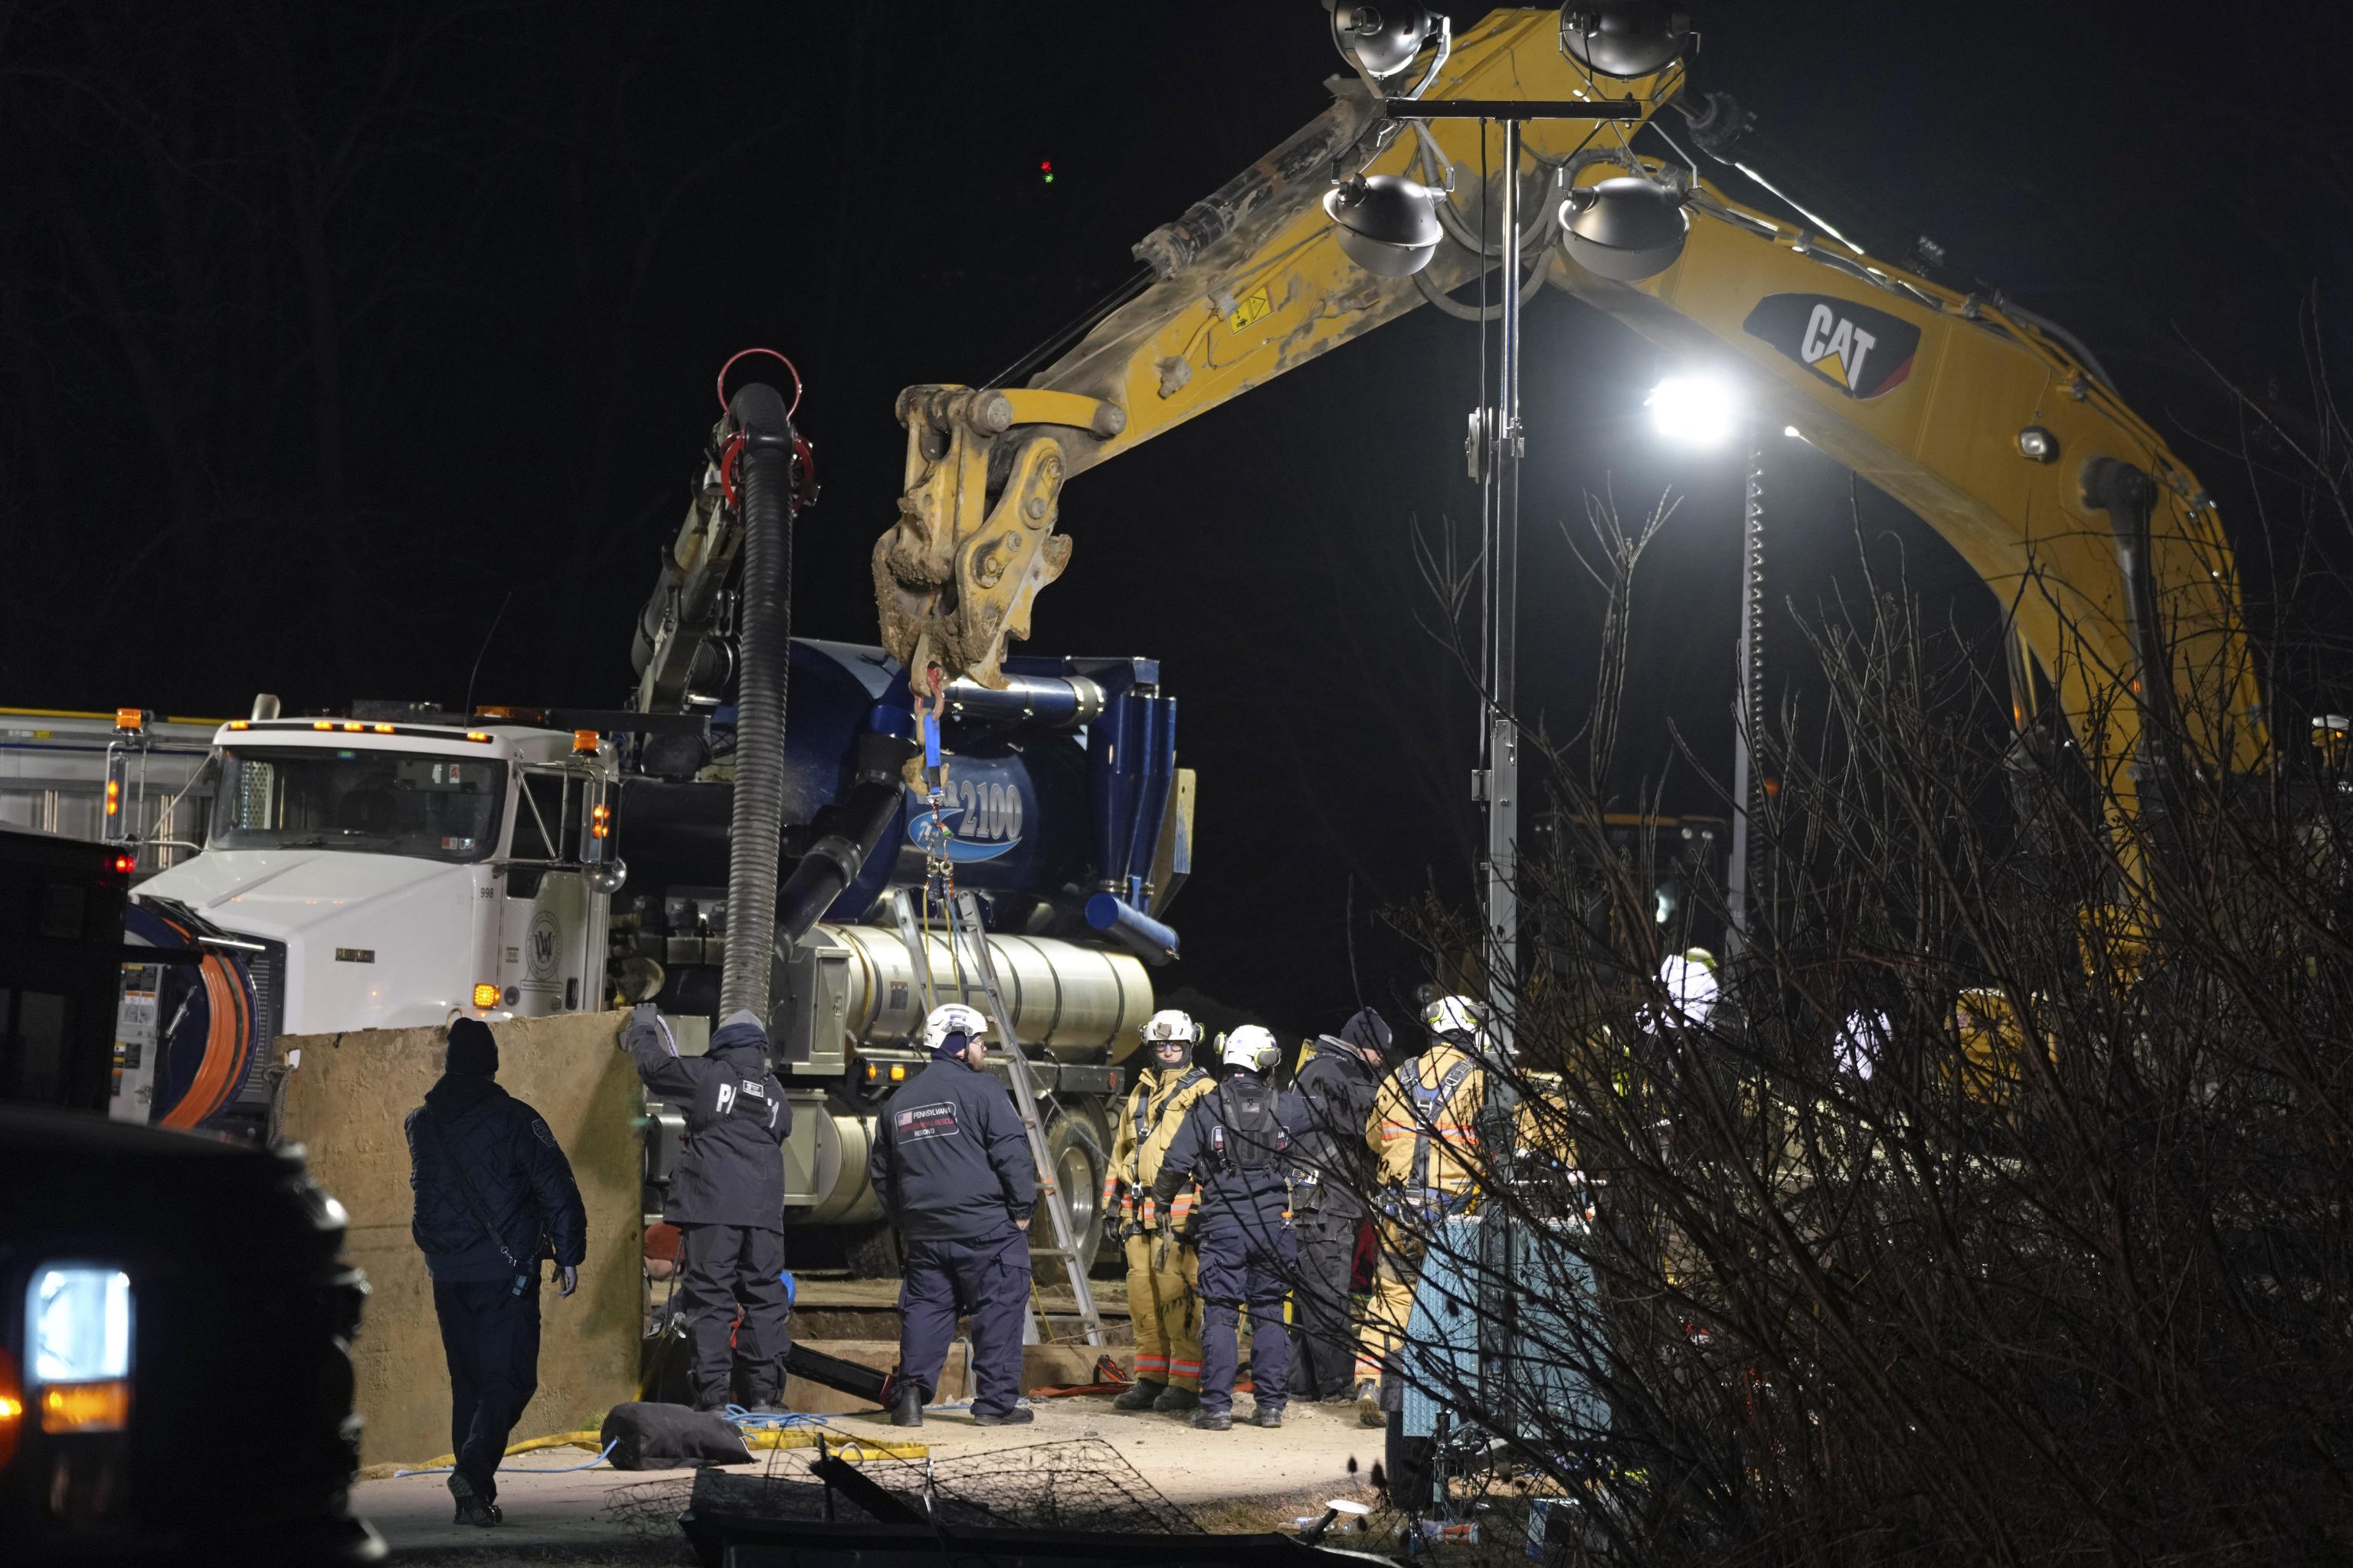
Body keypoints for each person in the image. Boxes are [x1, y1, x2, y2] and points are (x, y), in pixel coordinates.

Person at [406, 1016, 587, 1528]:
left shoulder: (422, 1121)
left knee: (468, 1384)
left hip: (446, 1272)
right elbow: (558, 1186)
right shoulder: (516, 1119)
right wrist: (570, 1253)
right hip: (505, 1271)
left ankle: (473, 1498)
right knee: (508, 1381)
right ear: (492, 1064)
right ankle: (472, 1468)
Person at [867, 1002, 1037, 1428]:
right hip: (986, 1230)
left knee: (926, 1310)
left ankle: (910, 1398)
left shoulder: (898, 1102)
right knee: (997, 1308)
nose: (984, 1051)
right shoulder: (985, 1092)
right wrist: (1021, 1210)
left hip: (926, 1234)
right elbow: (1013, 1155)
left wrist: (907, 1222)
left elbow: (882, 1175)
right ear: (959, 1044)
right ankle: (994, 1405)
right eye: (979, 1042)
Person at [623, 1003, 793, 1413]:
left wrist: (643, 1027)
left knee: (712, 1298)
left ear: (722, 1043)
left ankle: (714, 1400)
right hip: (765, 1212)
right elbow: (781, 1129)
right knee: (766, 1298)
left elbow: (653, 1067)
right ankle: (765, 1399)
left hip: (714, 1207)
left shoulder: (706, 1075)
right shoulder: (775, 1093)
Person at [1150, 1024, 1307, 1431]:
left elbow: (1175, 1164)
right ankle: (1270, 1407)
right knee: (1269, 1312)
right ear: (1266, 1061)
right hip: (1274, 1227)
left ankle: (1217, 1409)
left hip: (1223, 1227)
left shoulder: (1207, 1107)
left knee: (1220, 1313)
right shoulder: (1288, 1107)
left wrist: (1162, 1203)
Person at [1354, 994, 1491, 1428]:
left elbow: (1374, 1139)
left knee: (1392, 1299)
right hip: (1454, 1217)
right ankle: (1437, 1401)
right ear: (1470, 1029)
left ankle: (1370, 1382)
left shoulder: (1398, 1077)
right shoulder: (1479, 1080)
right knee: (1451, 1304)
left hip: (1397, 1210)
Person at [1103, 1008, 1215, 1413]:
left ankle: (1184, 1382)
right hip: (1136, 1211)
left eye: (1176, 1044)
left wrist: (1206, 1211)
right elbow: (1121, 1153)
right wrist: (1109, 1209)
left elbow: (1212, 1157)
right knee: (1142, 1298)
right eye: (1161, 1044)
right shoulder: (1140, 1092)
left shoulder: (1204, 1091)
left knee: (1178, 1296)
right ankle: (1150, 1377)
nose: (1168, 1050)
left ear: (1190, 1045)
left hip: (1180, 1213)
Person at [1287, 1006, 1389, 1403]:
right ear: (1366, 1046)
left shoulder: (1318, 1067)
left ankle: (1303, 1382)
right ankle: (1337, 1384)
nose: (1382, 1062)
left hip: (1316, 1201)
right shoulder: (1336, 1074)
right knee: (1329, 1294)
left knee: (1311, 1293)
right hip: (1327, 1203)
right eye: (1380, 1053)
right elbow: (1367, 1125)